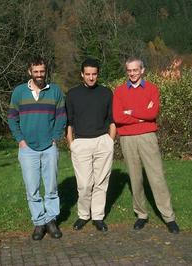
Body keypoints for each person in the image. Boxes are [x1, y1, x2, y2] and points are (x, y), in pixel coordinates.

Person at [112, 57, 180, 234]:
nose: (132, 73)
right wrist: (141, 115)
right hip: (127, 138)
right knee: (135, 178)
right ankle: (141, 215)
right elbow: (118, 117)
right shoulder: (119, 92)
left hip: (147, 137)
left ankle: (169, 217)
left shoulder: (152, 89)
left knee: (156, 176)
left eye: (135, 70)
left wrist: (131, 112)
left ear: (142, 70)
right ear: (126, 72)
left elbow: (152, 113)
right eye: (129, 70)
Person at [7, 56, 67, 240]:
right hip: (27, 149)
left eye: (42, 71)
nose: (39, 75)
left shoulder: (55, 91)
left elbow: (62, 117)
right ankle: (39, 223)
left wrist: (55, 138)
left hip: (49, 147)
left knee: (51, 187)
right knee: (32, 188)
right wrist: (20, 139)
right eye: (36, 72)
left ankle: (51, 221)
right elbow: (11, 117)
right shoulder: (19, 92)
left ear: (45, 71)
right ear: (29, 72)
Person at [66, 58, 116, 232]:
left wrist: (110, 140)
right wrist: (72, 144)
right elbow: (69, 122)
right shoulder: (72, 94)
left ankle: (98, 217)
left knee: (101, 182)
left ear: (98, 74)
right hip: (81, 143)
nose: (91, 77)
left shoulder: (106, 93)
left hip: (103, 141)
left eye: (94, 74)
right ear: (82, 74)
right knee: (85, 184)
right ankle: (83, 215)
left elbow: (112, 119)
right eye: (87, 74)